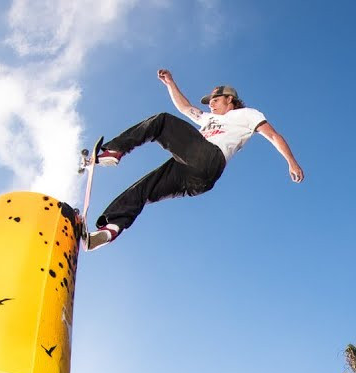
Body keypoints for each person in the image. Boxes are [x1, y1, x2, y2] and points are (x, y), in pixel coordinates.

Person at [87, 69, 304, 249]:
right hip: (197, 179)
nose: (211, 105)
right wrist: (170, 83)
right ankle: (110, 229)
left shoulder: (246, 114)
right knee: (144, 187)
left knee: (161, 121)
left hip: (210, 157)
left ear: (230, 99)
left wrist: (291, 161)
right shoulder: (207, 118)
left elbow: (273, 135)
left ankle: (113, 151)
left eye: (215, 100)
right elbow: (184, 107)